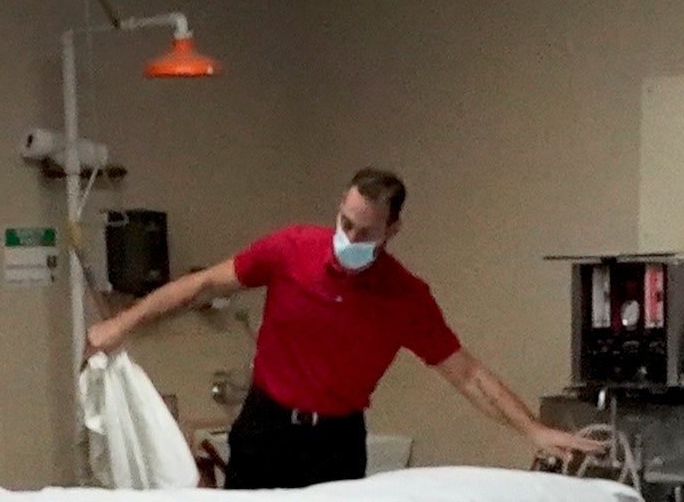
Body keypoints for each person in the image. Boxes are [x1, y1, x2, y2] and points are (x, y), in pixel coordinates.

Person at [85, 167, 607, 479]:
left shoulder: (404, 296)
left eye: (366, 233)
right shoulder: (291, 249)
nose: (350, 238)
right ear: (339, 207)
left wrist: (531, 429)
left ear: (392, 230)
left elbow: (466, 374)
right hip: (265, 426)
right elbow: (200, 286)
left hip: (335, 442)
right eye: (345, 223)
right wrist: (121, 325)